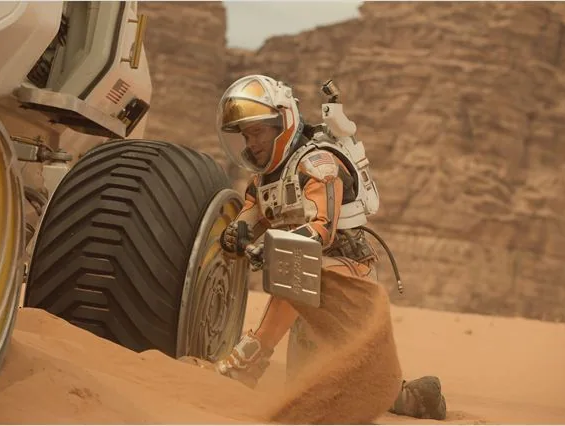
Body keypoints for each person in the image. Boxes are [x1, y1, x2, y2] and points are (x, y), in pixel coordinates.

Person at [186, 74, 446, 420]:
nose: (253, 142)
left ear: (283, 122)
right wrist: (237, 234)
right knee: (315, 382)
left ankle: (245, 366)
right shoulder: (265, 177)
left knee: (298, 283)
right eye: (246, 135)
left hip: (345, 273)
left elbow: (322, 227)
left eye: (258, 132)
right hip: (308, 273)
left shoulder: (318, 164)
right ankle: (407, 395)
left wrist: (275, 248)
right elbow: (253, 214)